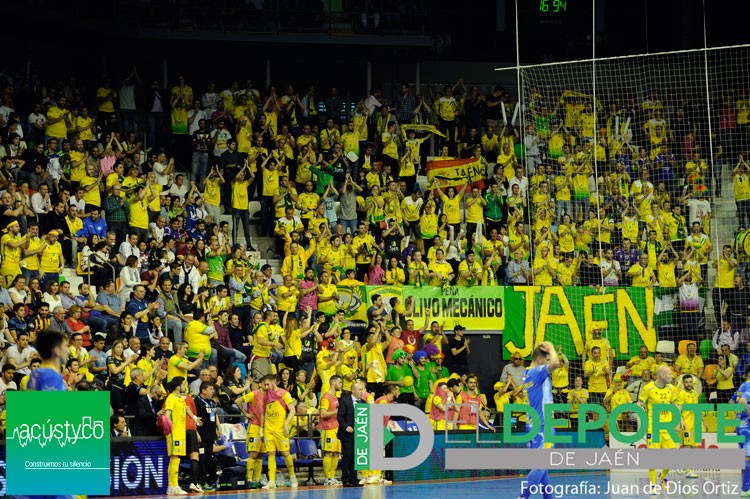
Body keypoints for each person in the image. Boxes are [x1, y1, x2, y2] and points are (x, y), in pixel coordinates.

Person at [517, 341, 560, 499]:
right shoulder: (537, 372)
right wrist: (551, 348)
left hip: (533, 426)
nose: (548, 362)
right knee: (542, 465)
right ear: (541, 360)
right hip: (543, 425)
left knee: (543, 467)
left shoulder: (526, 373)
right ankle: (523, 497)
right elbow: (556, 363)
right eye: (546, 359)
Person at [639, 365, 683, 495]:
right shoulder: (648, 388)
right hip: (653, 427)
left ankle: (662, 477)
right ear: (662, 376)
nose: (672, 375)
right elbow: (639, 405)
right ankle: (653, 485)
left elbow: (675, 406)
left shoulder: (671, 388)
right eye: (670, 373)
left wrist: (680, 421)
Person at [260, 373, 298, 489]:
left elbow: (292, 410)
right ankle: (271, 481)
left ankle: (292, 476)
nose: (266, 387)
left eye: (267, 384)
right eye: (264, 385)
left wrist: (286, 424)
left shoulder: (284, 394)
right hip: (268, 429)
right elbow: (263, 413)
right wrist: (261, 429)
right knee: (270, 453)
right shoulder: (265, 395)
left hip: (281, 429)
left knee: (286, 453)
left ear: (273, 382)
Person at [164, 376, 201, 496]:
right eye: (184, 384)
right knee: (174, 459)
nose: (185, 386)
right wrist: (169, 426)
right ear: (178, 386)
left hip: (181, 433)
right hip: (174, 433)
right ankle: (172, 486)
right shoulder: (171, 398)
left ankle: (174, 485)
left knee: (177, 459)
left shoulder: (180, 398)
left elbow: (186, 409)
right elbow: (167, 413)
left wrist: (194, 418)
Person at [337, 379, 366, 487]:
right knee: (347, 456)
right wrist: (346, 427)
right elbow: (339, 416)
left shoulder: (363, 403)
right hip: (346, 434)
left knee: (355, 457)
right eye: (359, 389)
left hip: (358, 434)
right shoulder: (345, 401)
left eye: (362, 389)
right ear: (353, 390)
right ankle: (345, 479)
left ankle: (354, 478)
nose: (361, 391)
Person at [320, 375, 343, 485]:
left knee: (336, 453)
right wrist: (335, 412)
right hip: (328, 428)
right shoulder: (326, 398)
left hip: (337, 428)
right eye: (339, 382)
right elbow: (323, 414)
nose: (341, 385)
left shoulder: (335, 397)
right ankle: (327, 478)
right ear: (333, 383)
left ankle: (332, 477)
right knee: (329, 453)